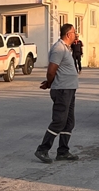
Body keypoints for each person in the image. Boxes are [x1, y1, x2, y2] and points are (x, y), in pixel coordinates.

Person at [36, 24, 80, 163]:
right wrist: (49, 83)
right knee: (59, 121)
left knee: (69, 122)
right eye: (74, 32)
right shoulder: (59, 48)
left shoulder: (66, 48)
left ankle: (63, 151)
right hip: (62, 90)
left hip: (69, 89)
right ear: (68, 34)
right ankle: (42, 149)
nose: (76, 35)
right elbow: (51, 71)